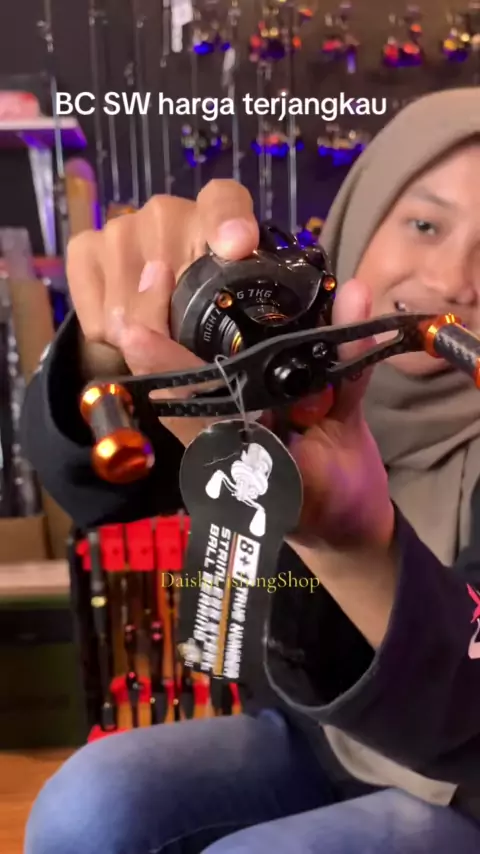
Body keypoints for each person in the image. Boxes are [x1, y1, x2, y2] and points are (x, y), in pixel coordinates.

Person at [22, 88, 480, 853]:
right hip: (318, 739)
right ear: (365, 212)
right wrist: (114, 345)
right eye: (425, 224)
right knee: (90, 802)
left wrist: (355, 545)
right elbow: (98, 488)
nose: (455, 278)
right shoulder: (282, 359)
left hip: (465, 787)